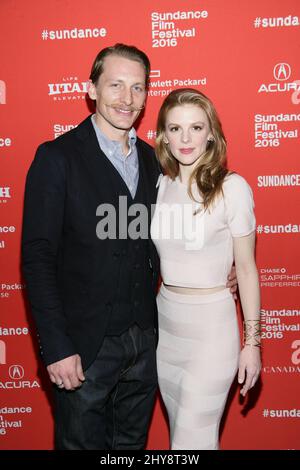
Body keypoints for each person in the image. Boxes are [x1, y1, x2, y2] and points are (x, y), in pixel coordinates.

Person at [22, 44, 237, 450]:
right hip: (84, 348)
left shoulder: (158, 160)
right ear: (91, 89)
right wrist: (56, 347)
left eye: (137, 88)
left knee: (130, 449)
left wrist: (219, 268)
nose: (127, 99)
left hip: (146, 344)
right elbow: (37, 258)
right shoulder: (57, 158)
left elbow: (187, 226)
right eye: (115, 85)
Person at [151, 88, 261, 450]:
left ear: (211, 132)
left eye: (196, 128)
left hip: (211, 332)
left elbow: (245, 269)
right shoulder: (160, 184)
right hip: (165, 328)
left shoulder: (232, 189)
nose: (185, 138)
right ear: (163, 134)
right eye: (175, 128)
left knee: (191, 441)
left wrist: (252, 343)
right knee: (179, 439)